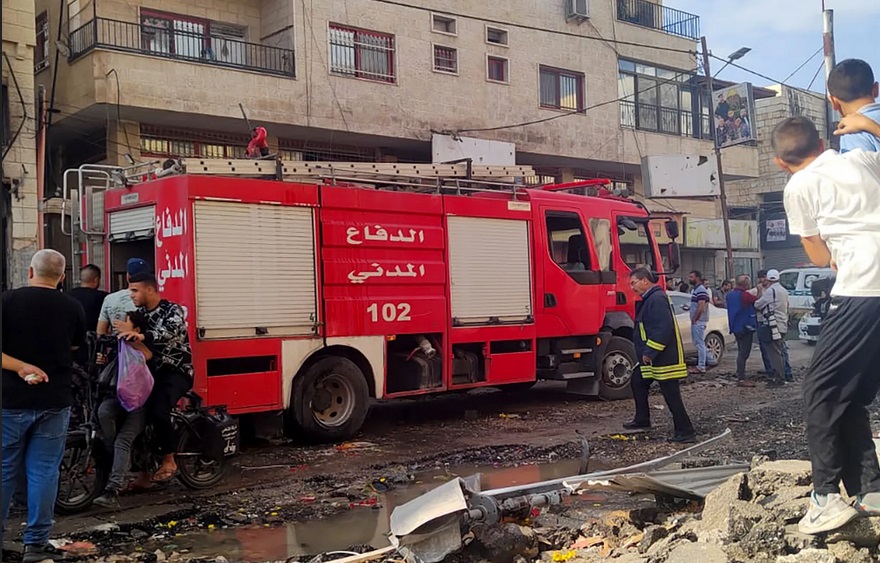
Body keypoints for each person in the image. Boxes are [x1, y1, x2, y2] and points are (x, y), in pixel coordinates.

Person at [773, 116, 880, 534]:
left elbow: (819, 258)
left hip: (862, 288)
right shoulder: (862, 160)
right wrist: (870, 125)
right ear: (821, 143)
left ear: (781, 162)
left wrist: (834, 249)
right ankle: (870, 490)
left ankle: (825, 497)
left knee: (818, 391)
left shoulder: (798, 186)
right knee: (849, 394)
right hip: (871, 291)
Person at [2, 250, 87, 563]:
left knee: (4, 470)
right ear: (62, 277)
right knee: (44, 471)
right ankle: (36, 544)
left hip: (10, 401)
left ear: (29, 272)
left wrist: (20, 367)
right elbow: (76, 346)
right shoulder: (73, 306)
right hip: (54, 400)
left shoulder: (6, 301)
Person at [117, 273, 193, 486]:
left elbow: (171, 332)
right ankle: (143, 472)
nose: (131, 295)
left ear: (150, 290)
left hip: (175, 372)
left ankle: (169, 459)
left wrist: (143, 336)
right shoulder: (138, 314)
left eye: (135, 290)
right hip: (147, 375)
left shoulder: (172, 310)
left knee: (159, 411)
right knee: (135, 417)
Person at [623, 268, 695, 443]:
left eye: (633, 283)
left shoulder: (656, 299)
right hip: (654, 357)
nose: (632, 287)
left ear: (645, 281)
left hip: (663, 358)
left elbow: (663, 329)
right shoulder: (651, 299)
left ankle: (686, 431)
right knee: (638, 381)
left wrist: (649, 351)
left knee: (671, 395)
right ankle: (642, 419)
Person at [93, 311, 153, 509]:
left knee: (123, 440)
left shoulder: (138, 344)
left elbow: (147, 355)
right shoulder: (115, 344)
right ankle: (117, 458)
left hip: (138, 403)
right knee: (103, 413)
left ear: (136, 329)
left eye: (124, 322)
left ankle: (113, 489)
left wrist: (133, 340)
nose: (118, 324)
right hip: (116, 398)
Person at [827, 59, 880, 153]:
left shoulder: (852, 132)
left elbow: (857, 163)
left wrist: (867, 125)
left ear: (834, 102)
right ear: (876, 89)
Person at [752, 270, 793, 381]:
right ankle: (786, 374)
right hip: (782, 324)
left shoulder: (771, 291)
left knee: (774, 353)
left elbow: (758, 304)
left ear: (768, 279)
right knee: (781, 350)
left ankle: (779, 377)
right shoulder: (784, 291)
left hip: (773, 325)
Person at [98, 258, 151, 335]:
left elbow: (100, 332)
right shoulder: (151, 299)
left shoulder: (110, 299)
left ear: (127, 276)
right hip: (144, 341)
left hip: (117, 342)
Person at [726, 275, 759, 387]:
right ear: (746, 284)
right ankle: (741, 378)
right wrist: (759, 290)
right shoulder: (745, 295)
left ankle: (740, 374)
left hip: (735, 326)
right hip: (745, 326)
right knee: (744, 353)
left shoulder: (730, 295)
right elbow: (758, 301)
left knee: (741, 350)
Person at [69, 264, 108, 332]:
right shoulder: (104, 298)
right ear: (96, 280)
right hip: (95, 336)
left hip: (72, 336)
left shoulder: (68, 296)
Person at [688, 271, 711, 374]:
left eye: (691, 277)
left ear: (697, 278)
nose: (689, 279)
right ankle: (711, 360)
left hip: (699, 321)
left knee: (700, 344)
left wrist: (695, 319)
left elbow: (701, 306)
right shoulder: (696, 290)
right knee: (699, 343)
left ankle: (701, 366)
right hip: (698, 320)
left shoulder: (700, 290)